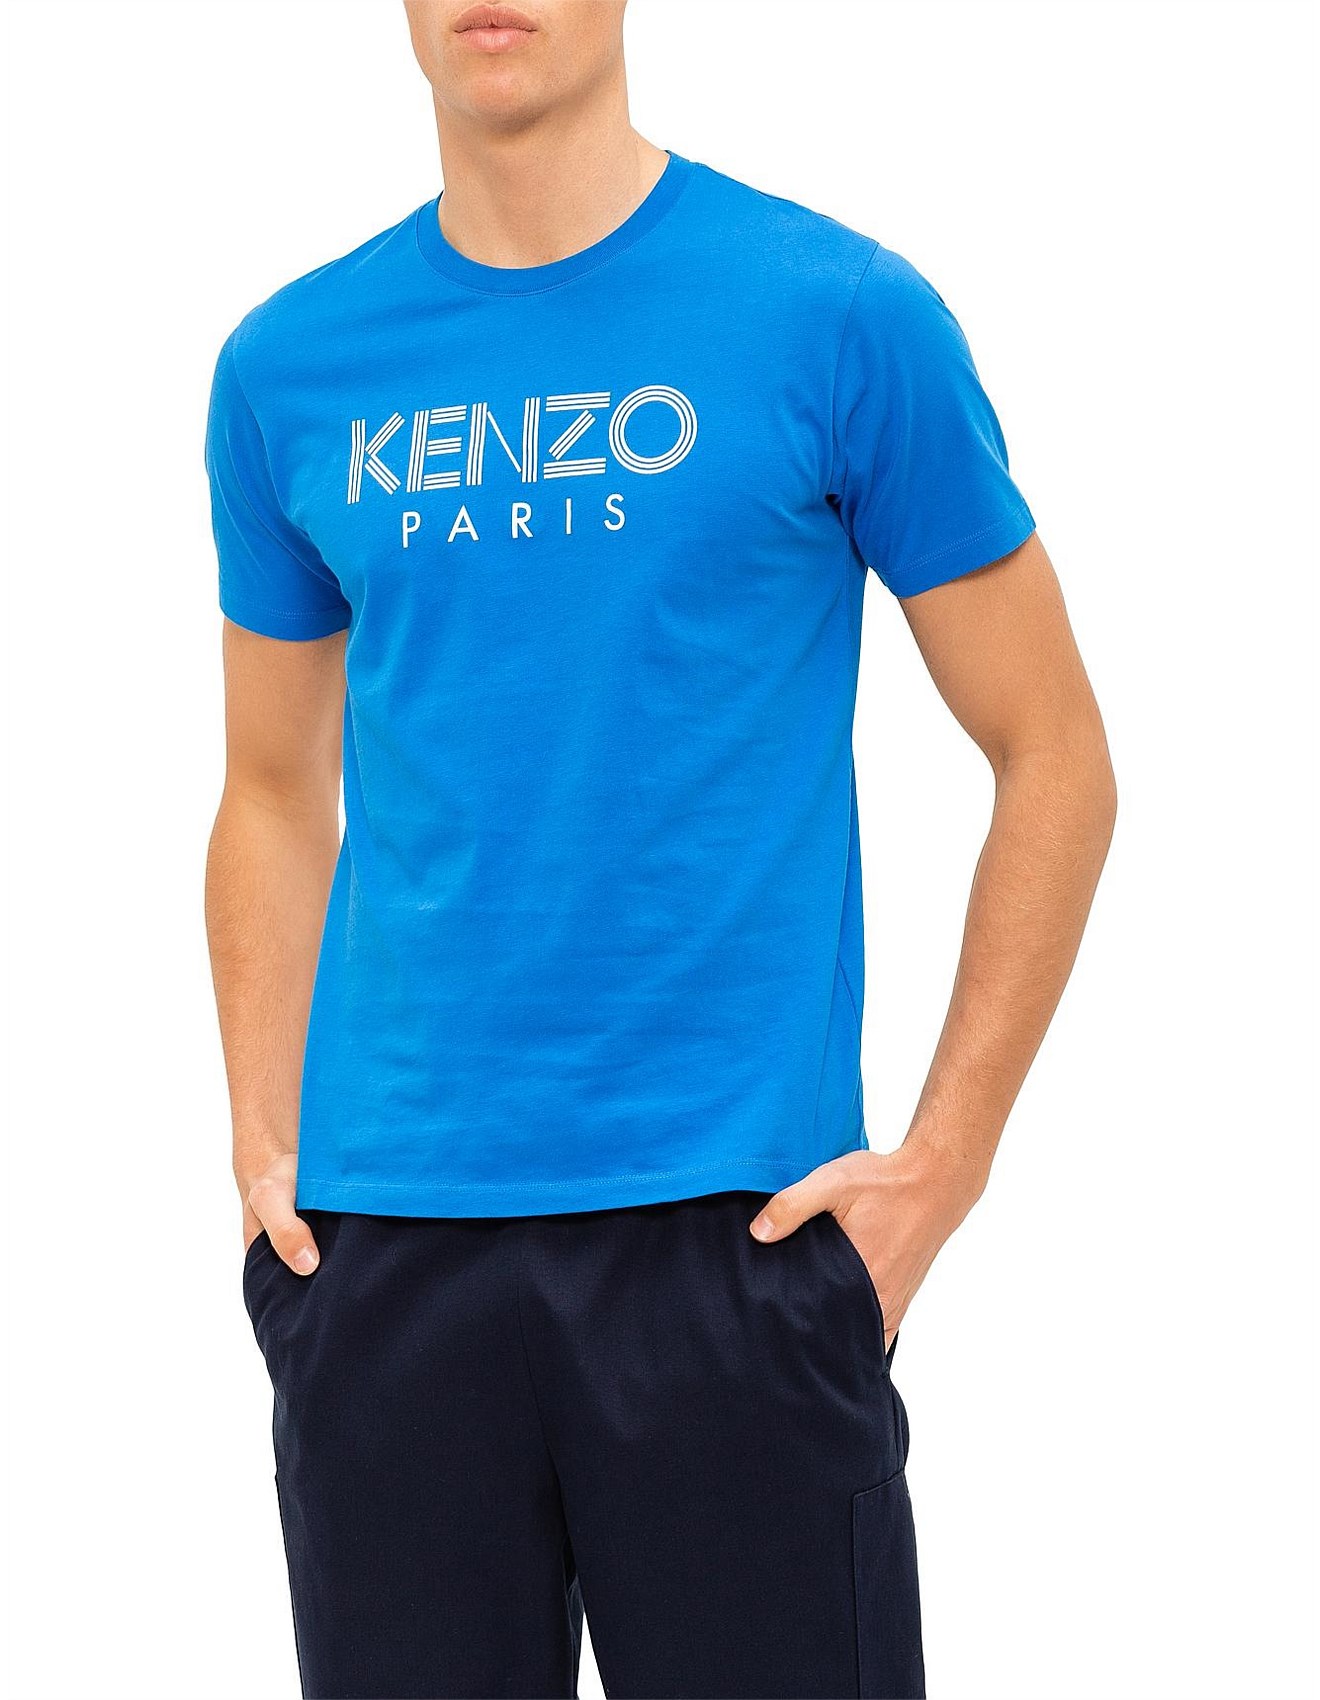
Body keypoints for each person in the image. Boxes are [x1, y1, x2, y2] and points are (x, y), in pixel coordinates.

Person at [204, 3, 1116, 1695]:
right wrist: (267, 1145)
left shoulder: (838, 317)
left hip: (735, 1237)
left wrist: (947, 1162)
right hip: (385, 1250)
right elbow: (269, 785)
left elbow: (1053, 750)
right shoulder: (288, 367)